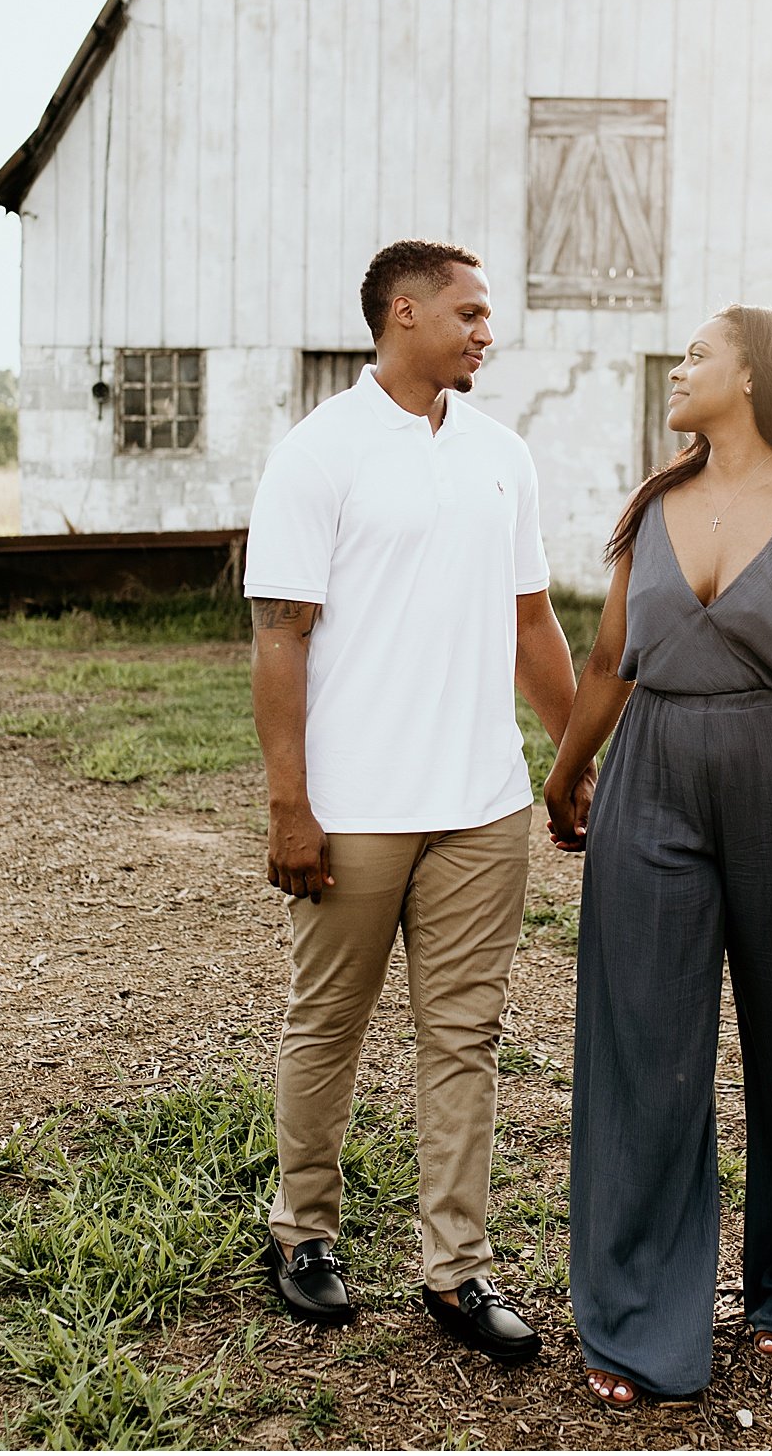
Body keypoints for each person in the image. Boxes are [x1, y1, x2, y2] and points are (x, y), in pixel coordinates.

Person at [538, 306, 772, 1409]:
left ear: (752, 376)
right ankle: (640, 1319)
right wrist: (566, 768)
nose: (679, 369)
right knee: (642, 1045)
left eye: (698, 354)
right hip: (650, 779)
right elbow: (606, 660)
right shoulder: (655, 504)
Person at [245, 239, 589, 1362]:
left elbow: (531, 619)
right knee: (326, 1025)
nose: (489, 330)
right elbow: (279, 638)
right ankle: (303, 1235)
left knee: (465, 1037)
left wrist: (575, 755)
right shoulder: (319, 450)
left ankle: (456, 1268)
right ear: (404, 312)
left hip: (480, 806)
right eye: (471, 312)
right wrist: (290, 805)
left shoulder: (500, 453)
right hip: (353, 808)